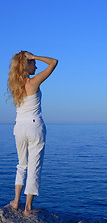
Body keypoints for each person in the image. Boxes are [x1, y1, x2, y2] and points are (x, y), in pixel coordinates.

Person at [7, 51, 58, 215]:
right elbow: (53, 62)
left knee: (21, 165)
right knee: (34, 167)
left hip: (18, 127)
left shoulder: (15, 85)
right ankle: (28, 207)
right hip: (34, 126)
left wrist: (27, 58)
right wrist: (34, 56)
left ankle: (16, 201)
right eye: (33, 64)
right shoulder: (33, 82)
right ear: (26, 65)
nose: (35, 66)